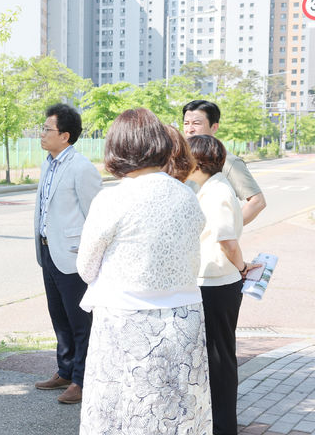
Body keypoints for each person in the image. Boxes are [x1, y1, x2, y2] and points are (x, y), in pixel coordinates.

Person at [76, 108, 211, 434]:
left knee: (123, 414)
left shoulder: (112, 199)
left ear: (117, 148)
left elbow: (85, 267)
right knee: (179, 414)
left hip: (127, 324)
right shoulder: (187, 196)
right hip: (184, 319)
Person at [187, 135, 261, 435]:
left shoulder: (217, 190)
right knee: (213, 356)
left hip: (217, 285)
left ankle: (223, 426)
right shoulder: (209, 187)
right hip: (210, 282)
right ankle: (213, 422)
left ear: (198, 161)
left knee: (220, 358)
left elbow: (227, 241)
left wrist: (243, 267)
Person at [33, 104, 101, 404]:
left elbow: (95, 215)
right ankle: (65, 369)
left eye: (47, 129)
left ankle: (82, 380)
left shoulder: (82, 167)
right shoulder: (49, 163)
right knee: (58, 316)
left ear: (65, 135)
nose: (42, 133)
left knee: (79, 321)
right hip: (48, 251)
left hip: (73, 256)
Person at [182, 100, 266, 224]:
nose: (190, 129)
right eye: (186, 123)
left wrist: (225, 231)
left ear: (214, 127)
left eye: (196, 123)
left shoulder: (228, 161)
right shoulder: (179, 157)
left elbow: (257, 202)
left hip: (205, 241)